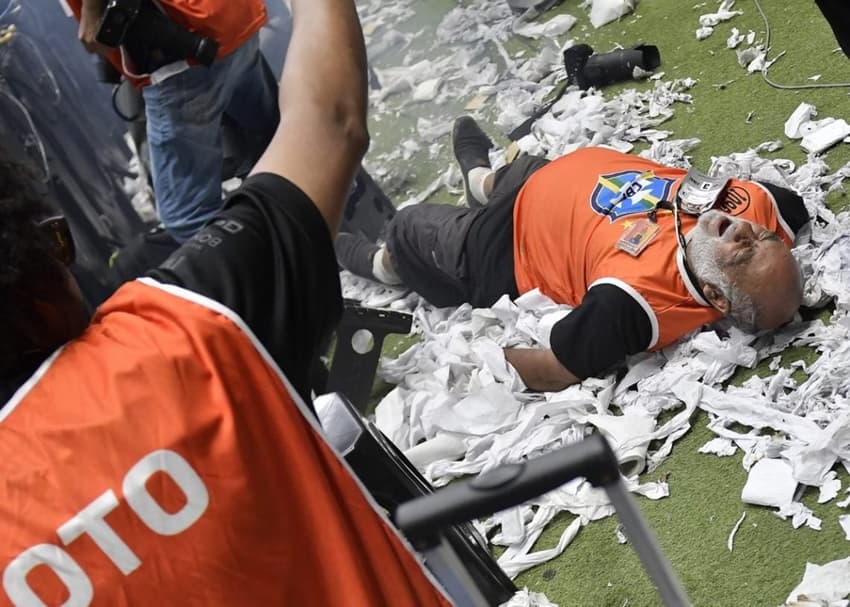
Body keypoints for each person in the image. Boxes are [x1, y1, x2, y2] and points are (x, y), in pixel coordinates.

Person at [0, 2, 451, 605]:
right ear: (30, 277)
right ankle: (339, 246)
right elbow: (329, 119)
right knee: (237, 169)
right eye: (59, 240)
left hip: (183, 54)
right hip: (224, 32)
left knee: (193, 203)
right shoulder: (188, 331)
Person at [336, 116, 809, 392]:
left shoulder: (634, 302)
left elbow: (557, 368)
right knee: (521, 171)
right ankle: (480, 182)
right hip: (548, 181)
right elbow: (788, 216)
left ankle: (385, 264)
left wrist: (479, 360)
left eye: (740, 254)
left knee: (409, 226)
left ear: (714, 296)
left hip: (503, 247)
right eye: (762, 239)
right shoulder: (767, 208)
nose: (745, 232)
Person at [67, 0, 280, 243]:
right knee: (270, 145)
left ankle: (266, 272)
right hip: (231, 17)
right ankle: (302, 239)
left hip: (184, 50)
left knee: (187, 216)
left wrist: (91, 13)